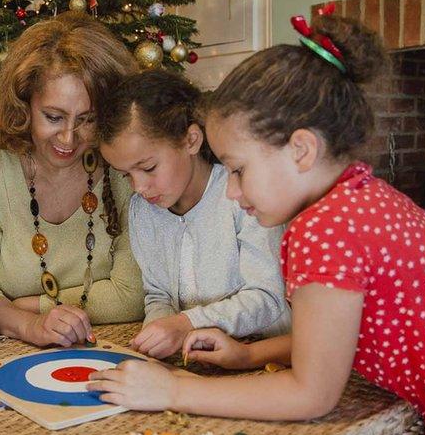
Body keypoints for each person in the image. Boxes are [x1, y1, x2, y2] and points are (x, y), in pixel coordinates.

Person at [88, 13, 425, 435]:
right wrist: (249, 355)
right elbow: (330, 338)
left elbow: (313, 395)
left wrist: (173, 391)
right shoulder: (357, 196)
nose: (233, 191)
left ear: (302, 149)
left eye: (240, 171)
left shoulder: (324, 230)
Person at [0, 12, 145, 348]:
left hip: (114, 345)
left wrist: (34, 306)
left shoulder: (123, 165)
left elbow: (131, 297)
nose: (68, 138)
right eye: (53, 117)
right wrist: (29, 325)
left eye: (87, 119)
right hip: (11, 349)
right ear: (23, 103)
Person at [96, 69, 290, 360]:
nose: (139, 187)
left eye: (148, 168)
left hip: (268, 359)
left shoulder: (242, 195)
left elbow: (267, 298)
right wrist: (159, 331)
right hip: (199, 360)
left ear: (191, 140)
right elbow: (158, 294)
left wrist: (185, 323)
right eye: (126, 175)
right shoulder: (142, 211)